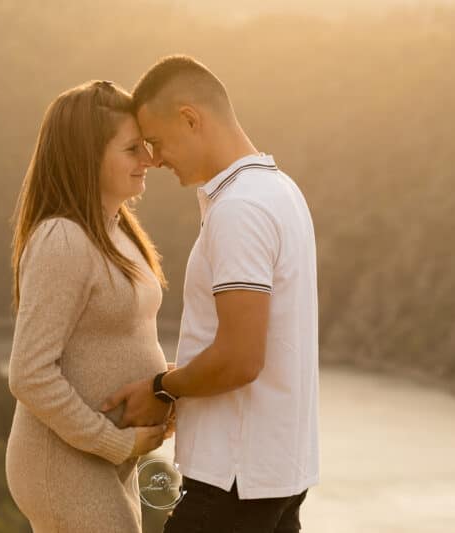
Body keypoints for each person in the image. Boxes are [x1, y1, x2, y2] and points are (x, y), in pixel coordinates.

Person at [100, 55, 320, 532]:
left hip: (232, 485)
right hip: (276, 479)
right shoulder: (281, 191)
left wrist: (162, 388)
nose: (154, 160)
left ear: (191, 118)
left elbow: (240, 359)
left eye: (156, 142)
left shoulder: (240, 210)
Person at [5, 80, 174, 533]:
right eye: (132, 149)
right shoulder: (63, 239)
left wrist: (169, 388)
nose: (150, 160)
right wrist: (113, 442)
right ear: (88, 156)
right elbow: (29, 373)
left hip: (104, 457)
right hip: (63, 460)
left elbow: (128, 340)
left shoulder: (121, 231)